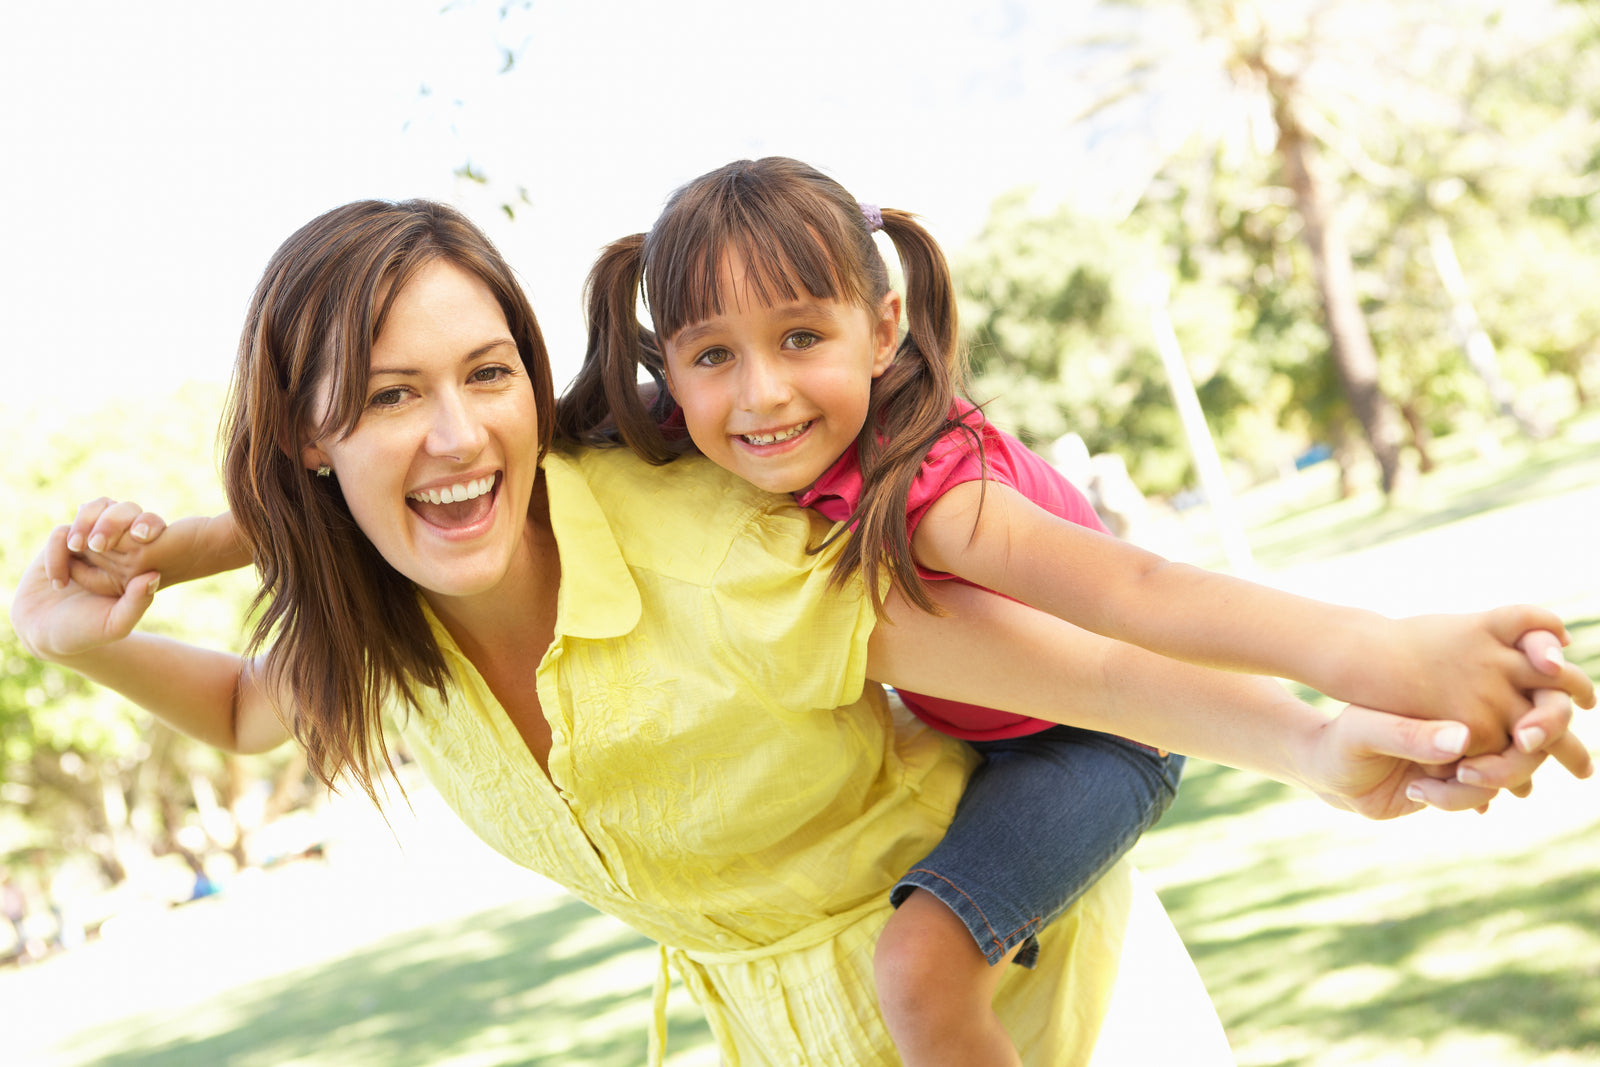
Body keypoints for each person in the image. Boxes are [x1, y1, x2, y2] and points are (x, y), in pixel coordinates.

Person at [11, 199, 1586, 1067]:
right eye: (386, 393)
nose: (453, 431)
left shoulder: (726, 554)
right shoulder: (389, 643)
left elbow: (1082, 654)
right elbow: (242, 709)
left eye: (485, 373)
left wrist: (1332, 726)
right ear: (305, 433)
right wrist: (85, 632)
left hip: (1041, 1009)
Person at [561, 157, 1597, 1065]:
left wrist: (1375, 651)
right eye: (712, 356)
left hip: (1092, 740)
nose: (761, 394)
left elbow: (1132, 591)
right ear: (670, 366)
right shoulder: (694, 437)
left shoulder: (939, 491)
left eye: (799, 337)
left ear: (882, 330)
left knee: (921, 969)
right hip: (983, 733)